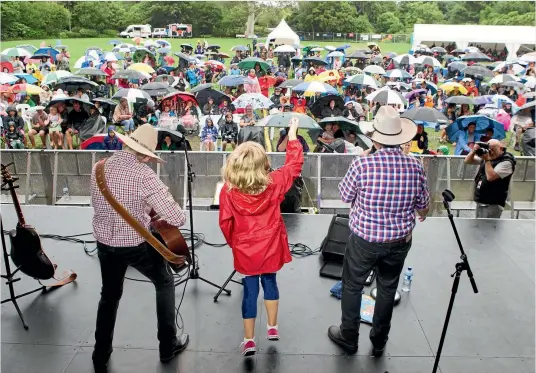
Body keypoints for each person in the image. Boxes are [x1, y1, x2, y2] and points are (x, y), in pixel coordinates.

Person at [328, 106, 429, 357]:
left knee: (352, 286)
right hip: (399, 240)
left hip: (364, 239)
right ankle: (379, 340)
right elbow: (423, 208)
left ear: (375, 138)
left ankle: (349, 337)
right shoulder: (415, 167)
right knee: (387, 289)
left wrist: (363, 160)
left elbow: (345, 196)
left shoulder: (362, 164)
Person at [90, 124, 189, 373]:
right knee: (164, 282)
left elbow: (98, 202)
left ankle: (100, 353)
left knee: (109, 295)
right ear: (145, 155)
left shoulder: (99, 167)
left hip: (104, 242)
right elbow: (177, 218)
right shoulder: (144, 175)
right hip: (134, 244)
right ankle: (168, 346)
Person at [219, 117, 303, 356]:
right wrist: (293, 134)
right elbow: (294, 165)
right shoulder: (274, 183)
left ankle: (248, 340)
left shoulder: (228, 192)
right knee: (270, 282)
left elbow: (225, 223)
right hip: (271, 245)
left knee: (250, 290)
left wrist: (234, 243)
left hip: (246, 249)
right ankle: (272, 327)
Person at [464, 139, 516, 219]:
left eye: (493, 149)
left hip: (492, 203)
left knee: (488, 229)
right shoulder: (490, 156)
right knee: (479, 227)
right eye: (489, 149)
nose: (490, 152)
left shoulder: (507, 162)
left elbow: (491, 177)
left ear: (501, 148)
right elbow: (467, 161)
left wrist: (487, 159)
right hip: (482, 200)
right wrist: (474, 150)